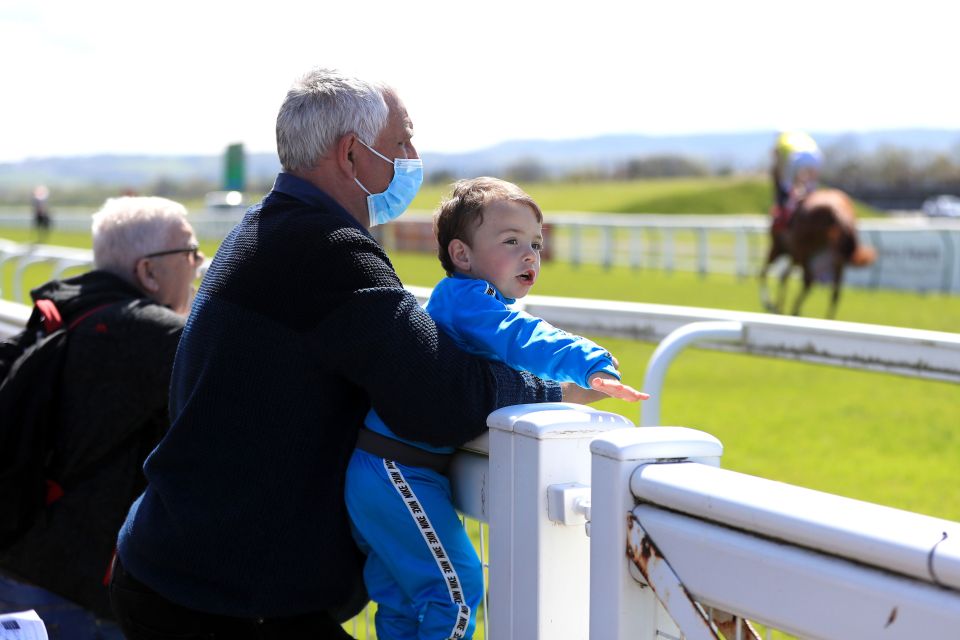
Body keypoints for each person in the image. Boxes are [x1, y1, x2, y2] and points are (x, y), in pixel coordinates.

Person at [109, 68, 593, 640]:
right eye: (402, 142)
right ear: (352, 156)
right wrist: (553, 390)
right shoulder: (324, 248)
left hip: (190, 569)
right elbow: (437, 393)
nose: (414, 156)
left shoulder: (276, 228)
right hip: (220, 595)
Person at [345, 177, 646, 639]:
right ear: (462, 255)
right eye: (512, 242)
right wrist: (589, 361)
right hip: (398, 471)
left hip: (384, 467)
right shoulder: (469, 301)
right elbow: (523, 337)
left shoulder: (469, 301)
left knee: (404, 603)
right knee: (459, 593)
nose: (530, 255)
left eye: (536, 244)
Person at [0, 196, 204, 638]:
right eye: (189, 251)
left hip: (21, 559)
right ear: (148, 270)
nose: (199, 262)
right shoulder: (157, 335)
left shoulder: (67, 304)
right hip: (77, 592)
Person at [770, 131, 822, 232]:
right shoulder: (801, 136)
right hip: (817, 157)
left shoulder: (781, 140)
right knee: (811, 187)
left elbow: (779, 165)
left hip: (796, 157)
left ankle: (787, 217)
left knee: (787, 186)